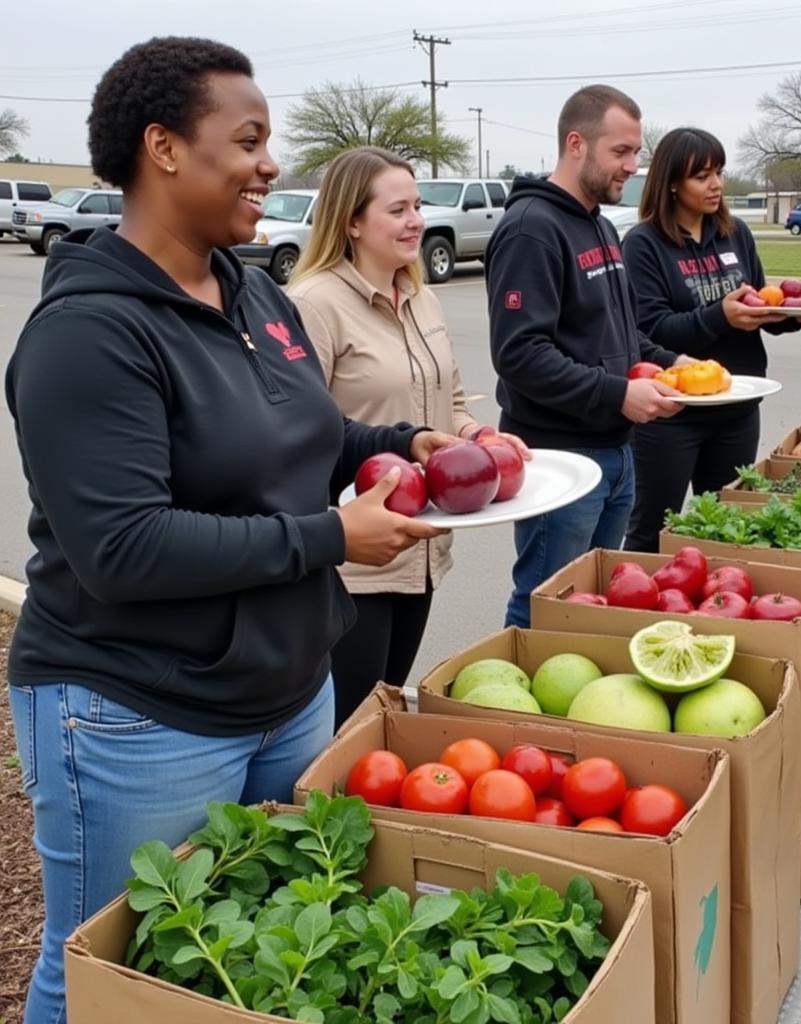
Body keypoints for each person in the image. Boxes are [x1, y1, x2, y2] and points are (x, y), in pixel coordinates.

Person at [5, 38, 455, 1024]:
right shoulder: (89, 334)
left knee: (231, 948)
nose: (269, 163)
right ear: (163, 148)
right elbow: (124, 547)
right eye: (246, 140)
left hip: (285, 688)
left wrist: (397, 439)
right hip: (136, 710)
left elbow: (306, 431)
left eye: (268, 140)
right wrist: (332, 540)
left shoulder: (250, 288)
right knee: (105, 962)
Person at [287, 146, 529, 729]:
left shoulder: (422, 296)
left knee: (386, 706)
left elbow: (448, 403)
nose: (417, 220)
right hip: (354, 562)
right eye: (398, 210)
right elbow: (295, 430)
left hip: (423, 546)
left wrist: (480, 436)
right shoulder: (312, 305)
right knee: (346, 723)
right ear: (351, 221)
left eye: (417, 206)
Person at [486, 84, 690, 628]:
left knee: (592, 605)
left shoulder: (600, 225)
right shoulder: (532, 228)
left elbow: (622, 337)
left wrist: (675, 364)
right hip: (563, 458)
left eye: (636, 152)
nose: (633, 165)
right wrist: (620, 394)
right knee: (545, 604)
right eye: (620, 152)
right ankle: (516, 714)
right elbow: (520, 354)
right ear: (576, 144)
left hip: (617, 453)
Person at [622, 127, 801, 551]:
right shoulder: (643, 245)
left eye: (719, 172)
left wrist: (792, 315)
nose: (716, 184)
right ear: (671, 183)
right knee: (653, 530)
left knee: (726, 528)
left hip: (737, 406)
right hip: (672, 415)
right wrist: (719, 315)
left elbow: (755, 306)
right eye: (702, 175)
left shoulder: (734, 233)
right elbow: (650, 330)